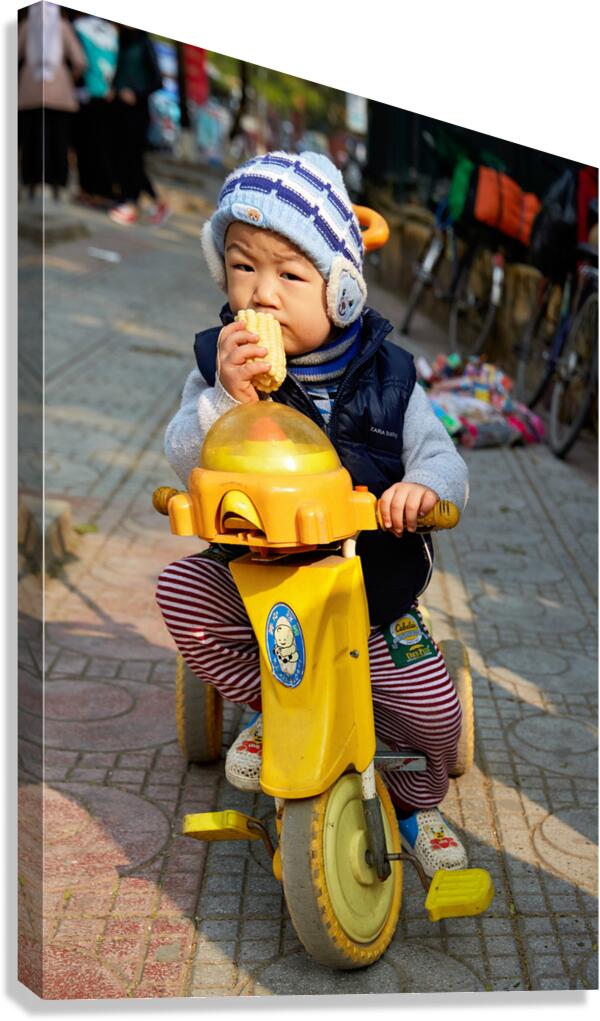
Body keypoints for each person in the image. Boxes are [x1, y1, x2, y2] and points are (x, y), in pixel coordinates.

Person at [156, 151, 470, 878]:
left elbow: (444, 459)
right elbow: (181, 452)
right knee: (180, 595)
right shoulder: (218, 366)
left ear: (343, 291)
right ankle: (275, 703)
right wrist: (227, 402)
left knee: (435, 724)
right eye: (241, 267)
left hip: (373, 593)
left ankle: (416, 804)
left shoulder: (390, 378)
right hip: (260, 580)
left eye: (290, 275)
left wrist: (420, 489)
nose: (260, 295)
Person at [18, 2, 87, 201]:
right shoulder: (63, 27)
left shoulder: (26, 26)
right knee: (58, 141)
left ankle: (31, 185)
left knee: (32, 141)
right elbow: (80, 61)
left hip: (30, 93)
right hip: (60, 95)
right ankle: (58, 185)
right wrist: (70, 77)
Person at [107, 26, 170, 226]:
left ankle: (132, 204)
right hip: (118, 110)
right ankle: (150, 203)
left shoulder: (144, 44)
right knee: (121, 157)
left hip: (138, 113)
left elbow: (158, 81)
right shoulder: (121, 42)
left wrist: (136, 93)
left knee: (133, 159)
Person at [71, 13, 119, 207]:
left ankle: (90, 190)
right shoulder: (111, 32)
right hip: (105, 95)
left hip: (86, 94)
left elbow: (79, 62)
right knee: (101, 145)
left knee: (85, 145)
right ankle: (100, 191)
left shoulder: (80, 27)